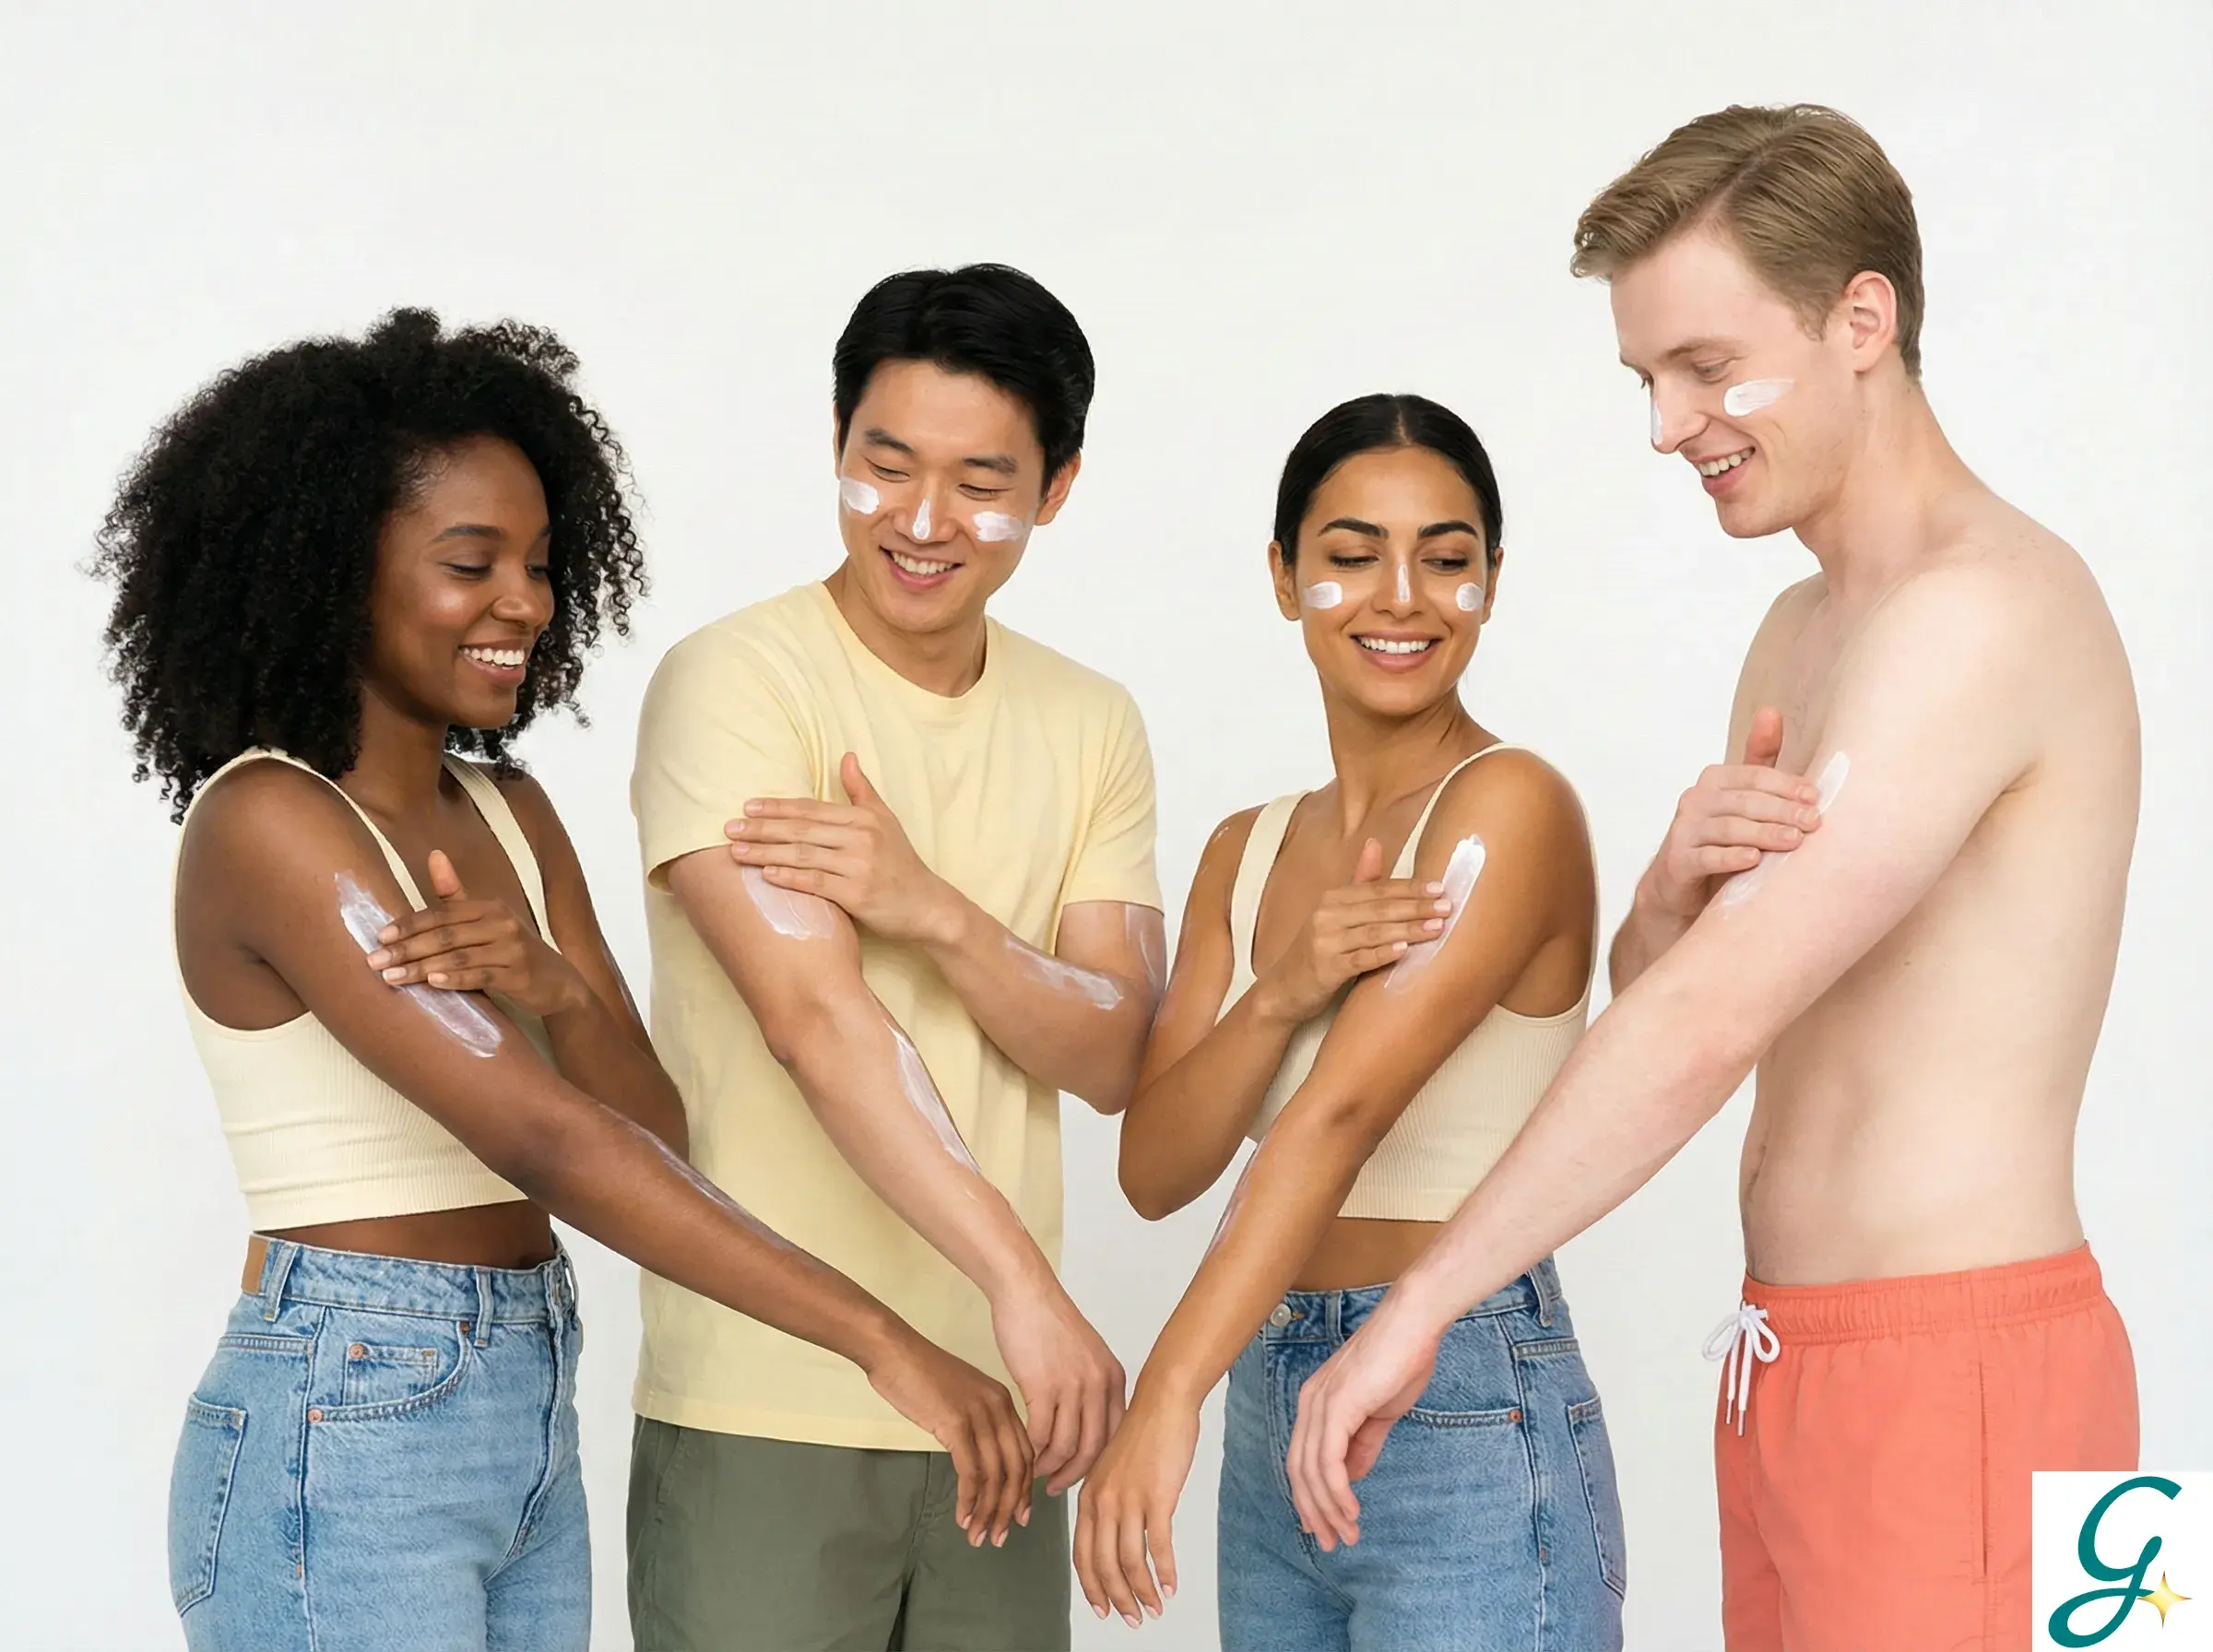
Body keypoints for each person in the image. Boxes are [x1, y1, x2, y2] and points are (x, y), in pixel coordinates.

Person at [1284, 105, 2141, 1651]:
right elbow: (1683, 997)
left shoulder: (1989, 610)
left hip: (1983, 1379)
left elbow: (1699, 1034)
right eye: (1647, 380)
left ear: (1862, 319)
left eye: (1702, 367)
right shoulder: (1802, 630)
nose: (1670, 427)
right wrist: (1669, 905)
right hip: (1792, 1363)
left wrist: (1425, 1302)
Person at [104, 310, 1031, 1652]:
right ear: (328, 570)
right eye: (470, 563)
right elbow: (544, 1137)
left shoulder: (513, 813)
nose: (526, 603)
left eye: (539, 564)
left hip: (523, 1380)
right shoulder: (271, 824)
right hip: (347, 1406)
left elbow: (650, 1135)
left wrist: (557, 988)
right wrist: (881, 1338)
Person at [626, 263, 1165, 1651]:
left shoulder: (1090, 721)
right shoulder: (737, 683)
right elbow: (817, 1020)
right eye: (887, 464)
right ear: (835, 444)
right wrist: (1028, 1290)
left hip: (1007, 1416)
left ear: (1058, 489)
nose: (924, 522)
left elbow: (1114, 1049)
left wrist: (931, 910)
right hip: (769, 1399)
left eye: (984, 479)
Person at [1074, 393, 1625, 1648]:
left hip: (1460, 1387)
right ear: (1283, 576)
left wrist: (1167, 1394)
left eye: (1446, 558)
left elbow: (1339, 1116)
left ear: (1491, 579)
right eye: (1350, 555)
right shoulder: (1246, 853)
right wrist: (1283, 991)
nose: (1403, 597)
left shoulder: (1510, 808)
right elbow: (1156, 1168)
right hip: (1276, 1387)